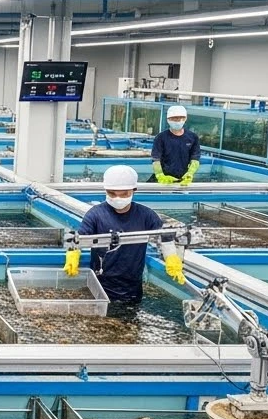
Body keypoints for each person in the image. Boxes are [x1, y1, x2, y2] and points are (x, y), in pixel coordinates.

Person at [63, 165, 186, 303]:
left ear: (134, 190)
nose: (118, 198)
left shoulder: (146, 215)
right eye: (112, 194)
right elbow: (77, 238)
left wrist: (172, 259)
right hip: (100, 285)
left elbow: (165, 237)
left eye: (124, 194)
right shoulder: (95, 215)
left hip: (132, 287)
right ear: (105, 191)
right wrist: (72, 255)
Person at [151, 105, 200, 185]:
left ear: (185, 119)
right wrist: (160, 175)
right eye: (174, 119)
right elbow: (156, 159)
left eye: (180, 118)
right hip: (165, 179)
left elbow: (195, 159)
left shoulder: (193, 137)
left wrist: (190, 173)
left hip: (183, 179)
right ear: (168, 120)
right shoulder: (160, 138)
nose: (177, 121)